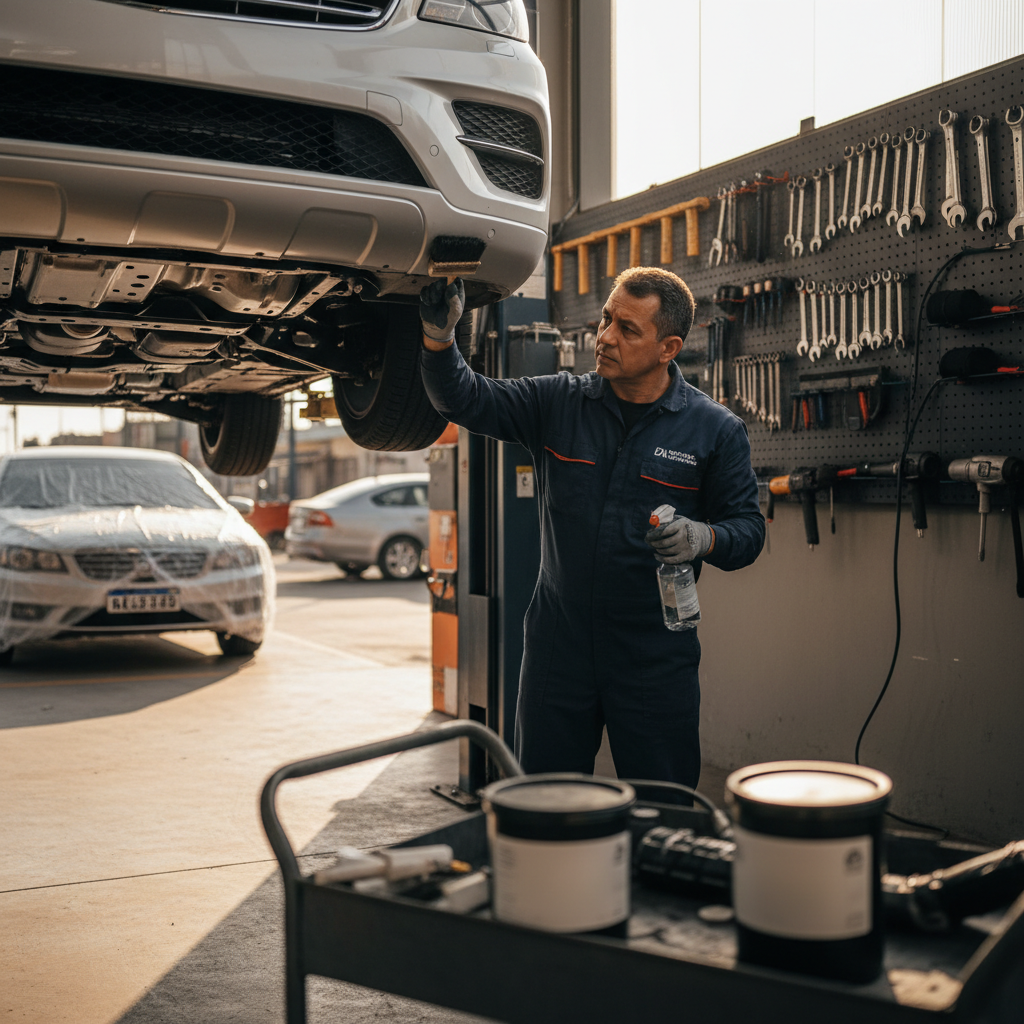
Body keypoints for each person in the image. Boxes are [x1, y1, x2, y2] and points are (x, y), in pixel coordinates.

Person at [419, 267, 764, 787]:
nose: (603, 337)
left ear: (668, 347)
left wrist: (704, 536)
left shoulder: (715, 430)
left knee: (661, 809)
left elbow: (748, 532)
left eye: (627, 330)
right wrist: (440, 338)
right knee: (545, 805)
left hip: (654, 655)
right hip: (559, 646)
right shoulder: (559, 402)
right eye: (606, 319)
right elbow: (466, 399)